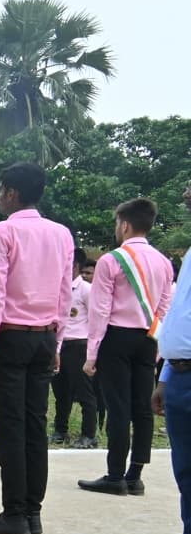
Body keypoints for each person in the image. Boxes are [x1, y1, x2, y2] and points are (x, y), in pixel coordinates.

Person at [0, 162, 74, 534]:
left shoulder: (4, 231)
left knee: (11, 427)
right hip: (45, 336)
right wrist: (58, 341)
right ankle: (32, 514)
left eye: (0, 190)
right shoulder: (61, 234)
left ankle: (14, 514)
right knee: (35, 426)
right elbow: (65, 291)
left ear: (12, 192)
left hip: (10, 338)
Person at [79, 197, 174, 496]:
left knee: (118, 407)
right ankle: (135, 476)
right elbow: (164, 308)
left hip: (116, 338)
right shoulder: (164, 262)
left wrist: (91, 354)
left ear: (125, 224)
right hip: (148, 339)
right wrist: (158, 347)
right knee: (143, 407)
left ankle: (115, 475)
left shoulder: (111, 260)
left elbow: (100, 311)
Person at [141, 181, 191, 534]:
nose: (187, 189)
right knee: (188, 478)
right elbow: (178, 318)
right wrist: (167, 374)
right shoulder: (189, 254)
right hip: (181, 376)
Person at [51, 248, 98, 448]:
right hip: (59, 346)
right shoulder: (57, 288)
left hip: (79, 346)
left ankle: (89, 435)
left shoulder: (86, 289)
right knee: (61, 392)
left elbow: (96, 320)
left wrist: (93, 352)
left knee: (85, 393)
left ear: (75, 266)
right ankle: (60, 430)